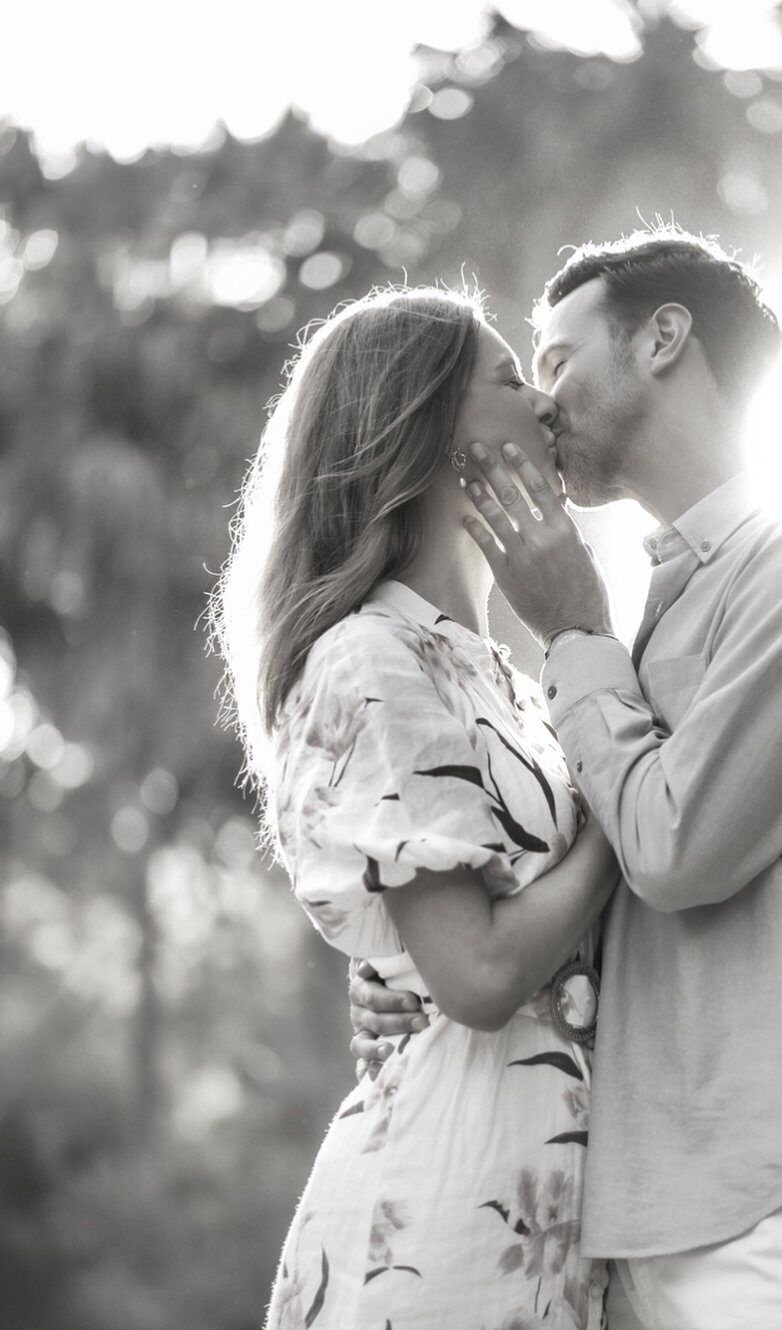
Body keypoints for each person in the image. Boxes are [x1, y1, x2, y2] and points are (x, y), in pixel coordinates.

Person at [352, 227, 782, 1329]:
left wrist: (575, 629)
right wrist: (426, 964)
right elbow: (639, 901)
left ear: (663, 339)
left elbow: (676, 848)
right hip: (638, 1221)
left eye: (554, 358)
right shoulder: (647, 623)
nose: (540, 403)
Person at [212, 286, 622, 1328]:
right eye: (509, 377)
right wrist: (626, 812)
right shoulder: (371, 654)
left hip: (550, 1195)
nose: (543, 402)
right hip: (457, 1202)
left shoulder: (498, 677)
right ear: (429, 429)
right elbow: (480, 970)